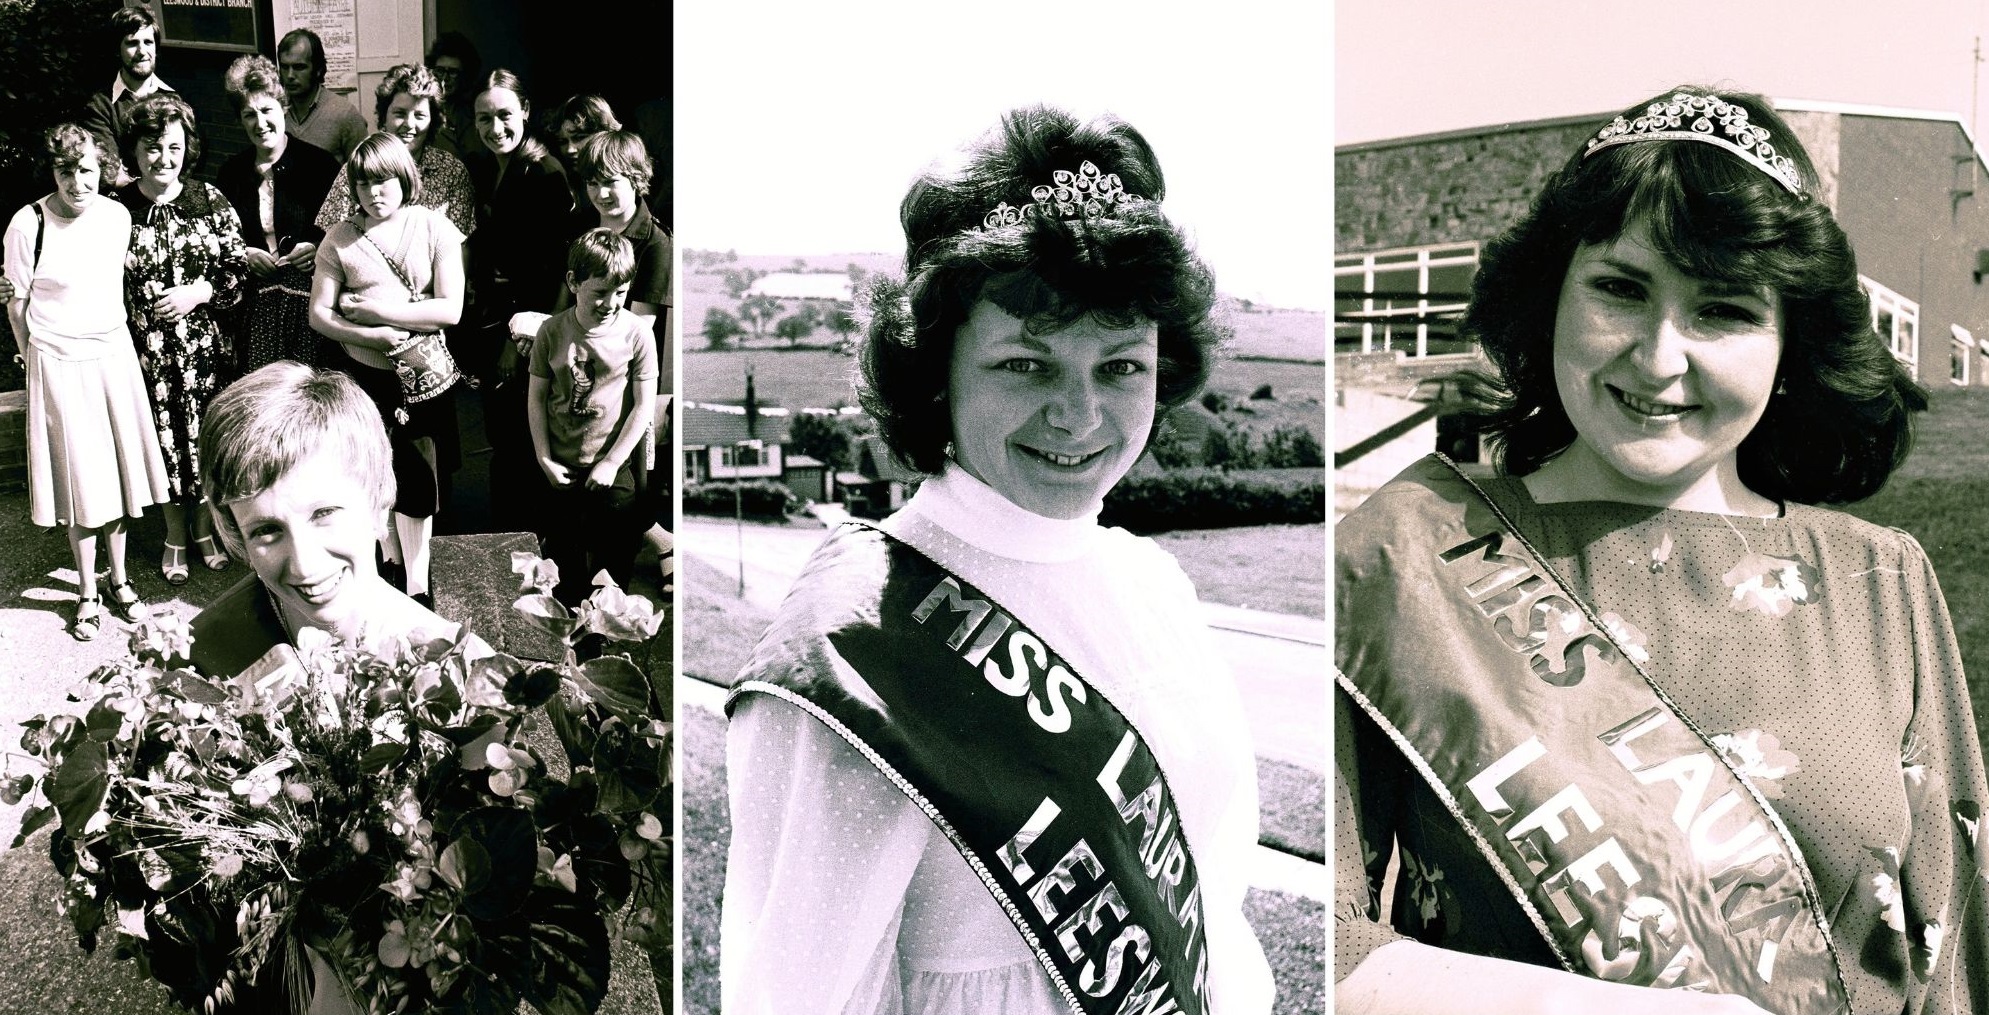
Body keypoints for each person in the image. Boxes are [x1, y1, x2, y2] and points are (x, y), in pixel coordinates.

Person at [1334, 88, 1989, 1015]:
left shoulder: (1882, 581)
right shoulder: (1403, 553)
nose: (1657, 357)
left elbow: (1951, 951)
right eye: (1619, 287)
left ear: (1787, 341)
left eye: (1720, 309)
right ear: (1551, 293)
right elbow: (1326, 941)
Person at [721, 107, 1274, 1015]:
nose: (1079, 414)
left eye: (1121, 367)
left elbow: (1214, 909)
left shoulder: (1152, 584)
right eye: (1025, 364)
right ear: (937, 366)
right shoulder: (852, 643)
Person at [190, 360, 482, 1015]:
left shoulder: (455, 671)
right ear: (232, 532)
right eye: (267, 529)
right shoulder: (213, 649)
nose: (304, 560)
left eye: (325, 513)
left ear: (380, 500)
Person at [4, 124, 169, 640]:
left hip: (111, 355)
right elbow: (18, 302)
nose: (77, 183)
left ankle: (120, 582)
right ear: (53, 172)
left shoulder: (117, 217)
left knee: (116, 476)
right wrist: (32, 358)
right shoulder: (26, 224)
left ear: (104, 170)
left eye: (88, 171)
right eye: (66, 172)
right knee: (80, 481)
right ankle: (86, 592)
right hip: (57, 358)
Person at [309, 133, 464, 608]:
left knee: (420, 479)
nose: (374, 193)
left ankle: (417, 585)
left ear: (405, 179)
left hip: (422, 380)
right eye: (363, 184)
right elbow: (320, 314)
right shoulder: (340, 238)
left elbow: (450, 309)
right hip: (366, 377)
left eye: (385, 182)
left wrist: (380, 314)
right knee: (370, 476)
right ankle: (384, 568)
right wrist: (370, 337)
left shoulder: (435, 228)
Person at [116, 94, 247, 585]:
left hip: (205, 352)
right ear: (135, 150)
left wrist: (200, 292)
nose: (163, 158)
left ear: (187, 147)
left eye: (173, 146)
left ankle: (204, 527)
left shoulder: (209, 200)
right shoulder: (116, 212)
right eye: (152, 147)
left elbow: (237, 268)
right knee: (162, 443)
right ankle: (174, 531)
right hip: (145, 355)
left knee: (203, 442)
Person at [465, 68, 573, 532]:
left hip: (526, 332)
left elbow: (550, 272)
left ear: (525, 111)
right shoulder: (487, 165)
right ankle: (507, 541)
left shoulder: (544, 173)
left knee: (524, 443)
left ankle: (530, 543)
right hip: (493, 323)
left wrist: (519, 338)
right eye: (484, 118)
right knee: (504, 438)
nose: (496, 128)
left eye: (505, 115)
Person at [526, 229, 655, 606]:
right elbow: (535, 398)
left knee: (613, 571)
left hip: (612, 471)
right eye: (599, 292)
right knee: (563, 568)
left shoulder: (636, 335)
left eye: (621, 292)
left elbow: (643, 404)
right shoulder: (551, 332)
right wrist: (544, 458)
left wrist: (613, 462)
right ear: (573, 282)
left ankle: (609, 649)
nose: (610, 302)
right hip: (562, 470)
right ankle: (572, 650)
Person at [569, 129, 673, 586]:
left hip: (628, 388)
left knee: (623, 491)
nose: (602, 193)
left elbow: (637, 330)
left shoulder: (655, 244)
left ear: (637, 180)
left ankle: (621, 593)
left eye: (612, 181)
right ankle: (662, 547)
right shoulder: (588, 236)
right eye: (593, 183)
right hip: (584, 379)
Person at [218, 54, 340, 373]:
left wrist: (316, 246)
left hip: (309, 304)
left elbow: (343, 229)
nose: (260, 124)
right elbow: (220, 236)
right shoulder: (230, 174)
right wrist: (243, 254)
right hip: (255, 308)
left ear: (283, 106)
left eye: (267, 110)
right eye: (249, 115)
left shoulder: (321, 166)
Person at [315, 65, 475, 239]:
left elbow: (461, 245)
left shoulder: (452, 172)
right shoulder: (357, 168)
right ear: (384, 117)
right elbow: (331, 237)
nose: (409, 124)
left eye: (420, 115)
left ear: (433, 121)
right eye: (400, 113)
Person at [79, 5, 174, 186]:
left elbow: (184, 163)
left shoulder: (174, 100)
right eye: (132, 43)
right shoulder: (100, 105)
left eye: (148, 42)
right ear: (117, 49)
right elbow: (110, 171)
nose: (142, 51)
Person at [276, 28, 367, 162]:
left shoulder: (345, 115)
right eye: (284, 67)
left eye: (299, 67)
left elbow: (364, 172)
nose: (290, 76)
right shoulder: (274, 111)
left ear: (318, 69)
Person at [546, 94, 620, 217]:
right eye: (563, 142)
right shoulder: (562, 181)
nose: (570, 150)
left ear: (603, 133)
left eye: (579, 137)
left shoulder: (625, 178)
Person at [423, 31, 482, 163]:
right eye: (440, 70)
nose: (444, 78)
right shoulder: (423, 112)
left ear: (465, 75)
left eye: (453, 72)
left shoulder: (475, 112)